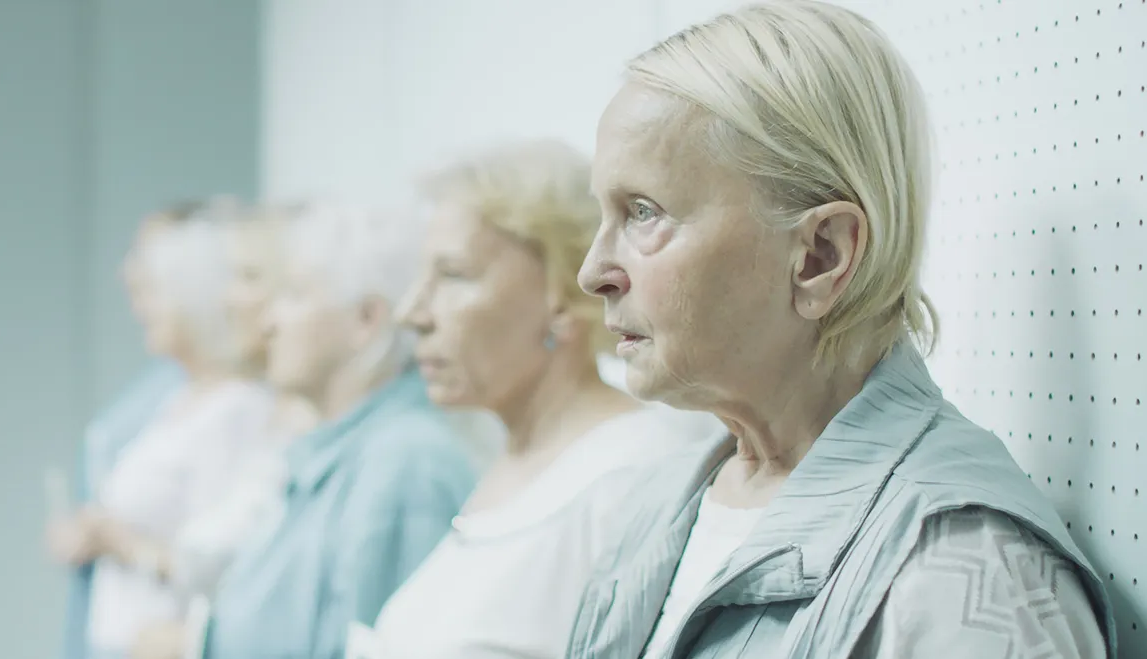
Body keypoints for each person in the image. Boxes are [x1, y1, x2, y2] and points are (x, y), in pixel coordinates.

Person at [567, 2, 1115, 657]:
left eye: (644, 212)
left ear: (821, 254)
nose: (592, 271)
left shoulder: (970, 579)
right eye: (605, 213)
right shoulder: (657, 504)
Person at [355, 140, 697, 659]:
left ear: (563, 289)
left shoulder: (632, 478)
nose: (412, 313)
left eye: (452, 276)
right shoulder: (516, 460)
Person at [198, 202, 478, 659]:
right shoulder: (335, 453)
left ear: (365, 319)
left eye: (295, 294)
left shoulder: (406, 465)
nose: (269, 322)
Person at [49, 204, 276, 659]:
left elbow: (221, 564)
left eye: (151, 292)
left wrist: (121, 543)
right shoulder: (174, 400)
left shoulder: (236, 410)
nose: (139, 308)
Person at [129, 203, 319, 659]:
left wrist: (194, 643)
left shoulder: (250, 413)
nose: (228, 299)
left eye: (250, 278)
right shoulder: (274, 416)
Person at [57, 202, 195, 659]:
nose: (129, 274)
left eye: (148, 261)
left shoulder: (239, 405)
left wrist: (124, 543)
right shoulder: (161, 390)